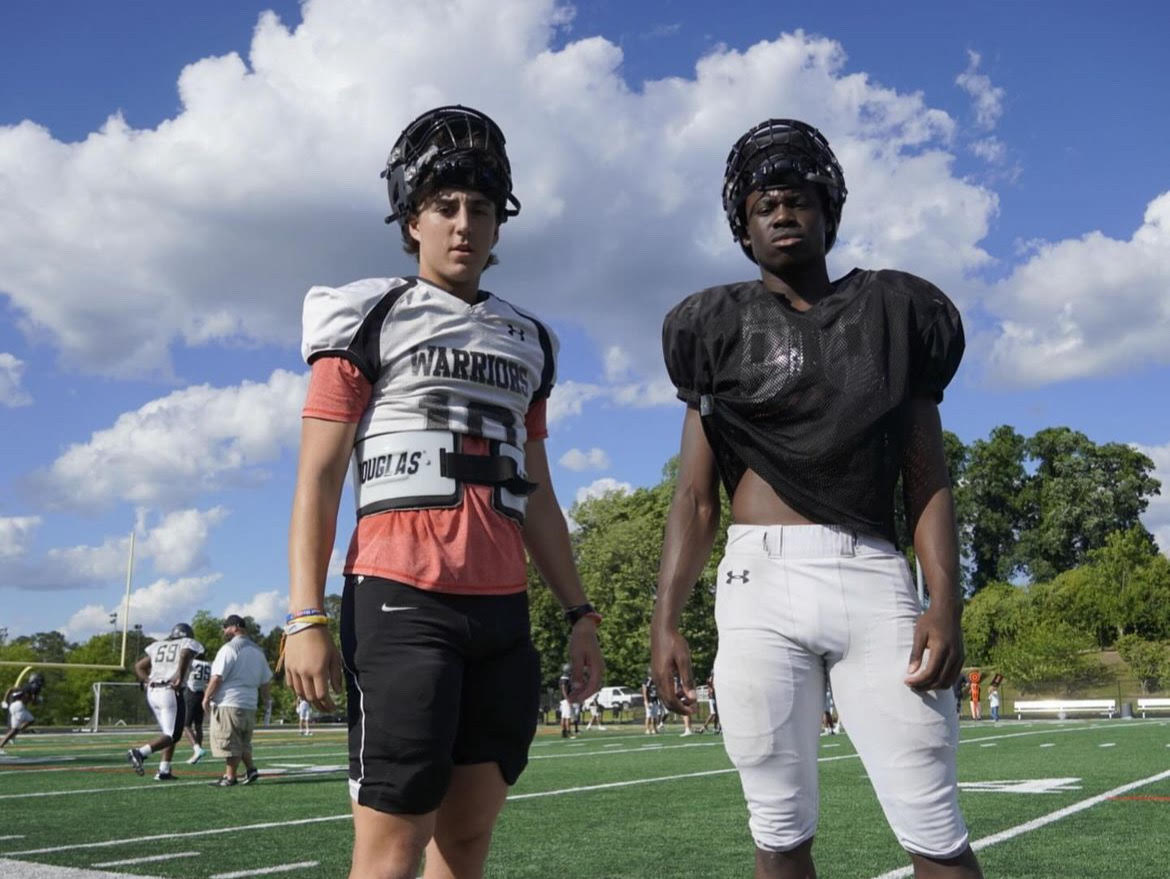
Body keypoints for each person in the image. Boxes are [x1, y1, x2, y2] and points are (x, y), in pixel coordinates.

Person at [651, 118, 983, 878]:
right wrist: (666, 616)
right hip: (757, 580)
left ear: (830, 210)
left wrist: (945, 599)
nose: (782, 212)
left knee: (933, 821)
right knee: (778, 825)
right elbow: (695, 499)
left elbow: (926, 473)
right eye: (764, 203)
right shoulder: (713, 326)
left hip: (872, 572)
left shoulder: (898, 311)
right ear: (743, 227)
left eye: (797, 198)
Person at [283, 104, 604, 879]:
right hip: (400, 598)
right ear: (411, 219)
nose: (465, 224)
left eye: (482, 209)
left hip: (500, 610)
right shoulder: (369, 313)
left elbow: (539, 493)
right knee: (393, 843)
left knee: (466, 841)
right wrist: (304, 611)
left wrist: (580, 610)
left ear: (500, 224)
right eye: (445, 206)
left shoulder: (529, 339)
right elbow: (319, 474)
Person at [203, 614, 273, 787]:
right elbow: (265, 681)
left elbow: (217, 677)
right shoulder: (258, 650)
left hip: (230, 701)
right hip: (250, 702)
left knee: (230, 741)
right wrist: (266, 701)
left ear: (235, 627)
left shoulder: (229, 649)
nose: (225, 631)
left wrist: (206, 697)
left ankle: (230, 777)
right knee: (243, 742)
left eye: (226, 627)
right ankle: (251, 769)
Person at [127, 623, 203, 780]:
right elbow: (184, 654)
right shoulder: (186, 643)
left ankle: (164, 770)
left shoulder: (159, 645)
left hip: (153, 692)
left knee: (168, 732)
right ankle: (140, 752)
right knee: (173, 734)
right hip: (170, 691)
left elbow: (139, 666)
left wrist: (147, 680)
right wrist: (180, 676)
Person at [0, 671, 45, 752]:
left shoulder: (25, 686)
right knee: (29, 721)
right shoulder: (34, 687)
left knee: (14, 730)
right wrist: (39, 701)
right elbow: (33, 702)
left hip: (13, 706)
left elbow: (10, 690)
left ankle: (4, 742)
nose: (41, 682)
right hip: (19, 706)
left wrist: (4, 701)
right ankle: (20, 731)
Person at [183, 649, 212, 764]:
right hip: (202, 693)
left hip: (192, 693)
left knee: (186, 725)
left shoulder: (193, 663)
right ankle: (198, 753)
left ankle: (197, 749)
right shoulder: (208, 664)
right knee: (198, 726)